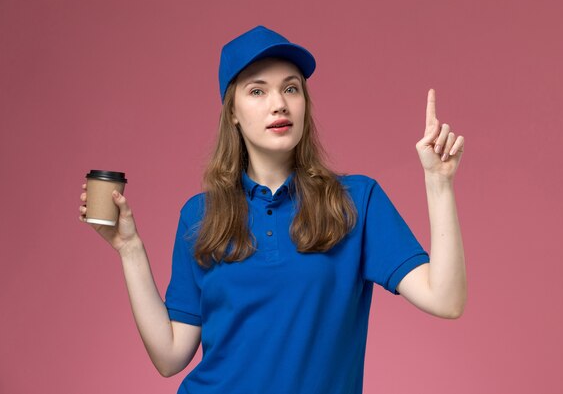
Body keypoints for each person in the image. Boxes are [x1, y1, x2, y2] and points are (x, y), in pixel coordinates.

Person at [78, 25, 467, 394]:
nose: (279, 104)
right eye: (258, 91)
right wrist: (129, 249)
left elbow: (446, 300)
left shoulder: (355, 202)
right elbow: (169, 356)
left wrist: (438, 182)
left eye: (291, 89)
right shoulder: (200, 216)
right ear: (233, 111)